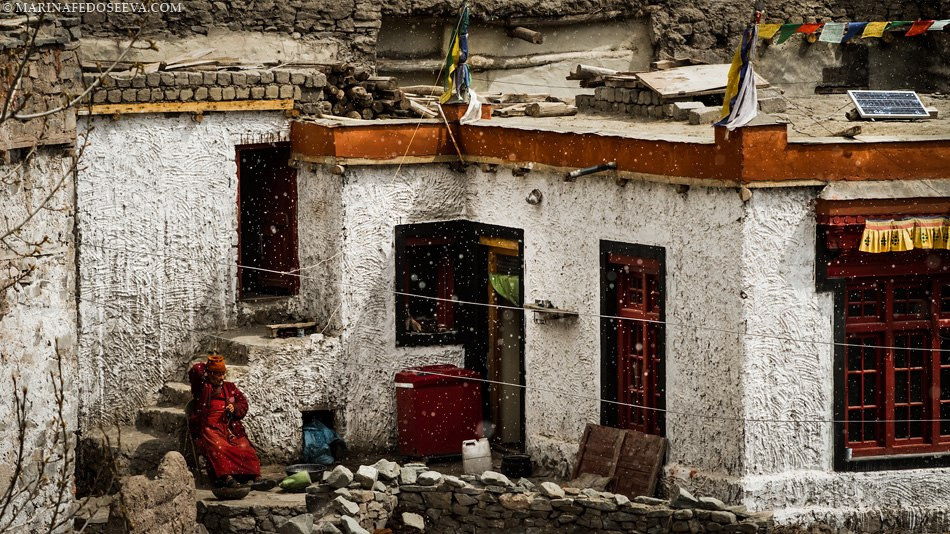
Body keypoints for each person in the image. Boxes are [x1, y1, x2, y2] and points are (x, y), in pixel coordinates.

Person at [188, 353, 261, 487]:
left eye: (223, 374)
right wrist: (211, 364)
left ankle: (254, 477)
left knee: (245, 447)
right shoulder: (203, 387)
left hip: (229, 427)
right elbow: (196, 370)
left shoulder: (230, 388)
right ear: (209, 374)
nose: (221, 378)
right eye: (217, 374)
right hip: (209, 428)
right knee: (219, 448)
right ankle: (226, 478)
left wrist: (234, 407)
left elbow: (243, 404)